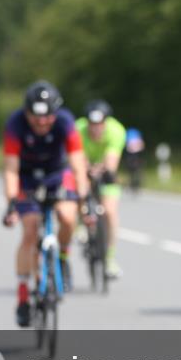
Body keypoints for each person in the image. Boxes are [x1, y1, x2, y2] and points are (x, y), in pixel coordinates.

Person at [1, 81, 91, 327]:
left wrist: (86, 198)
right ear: (27, 112)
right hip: (27, 177)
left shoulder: (65, 122)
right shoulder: (15, 124)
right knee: (29, 231)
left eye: (47, 117)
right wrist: (10, 203)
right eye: (36, 118)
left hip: (56, 174)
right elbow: (10, 168)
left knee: (69, 217)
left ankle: (62, 256)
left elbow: (77, 162)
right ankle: (22, 296)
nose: (42, 123)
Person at [75, 100, 127, 277]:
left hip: (104, 169)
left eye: (99, 125)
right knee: (79, 188)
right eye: (92, 124)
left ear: (106, 122)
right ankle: (80, 223)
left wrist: (103, 169)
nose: (95, 129)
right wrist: (85, 170)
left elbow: (111, 161)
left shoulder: (117, 130)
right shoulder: (77, 129)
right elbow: (76, 157)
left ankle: (110, 259)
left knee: (110, 212)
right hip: (84, 167)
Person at [124, 127, 145, 192]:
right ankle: (135, 183)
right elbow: (142, 146)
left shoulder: (129, 135)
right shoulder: (137, 137)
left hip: (133, 156)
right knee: (135, 171)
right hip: (135, 156)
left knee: (132, 172)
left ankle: (134, 183)